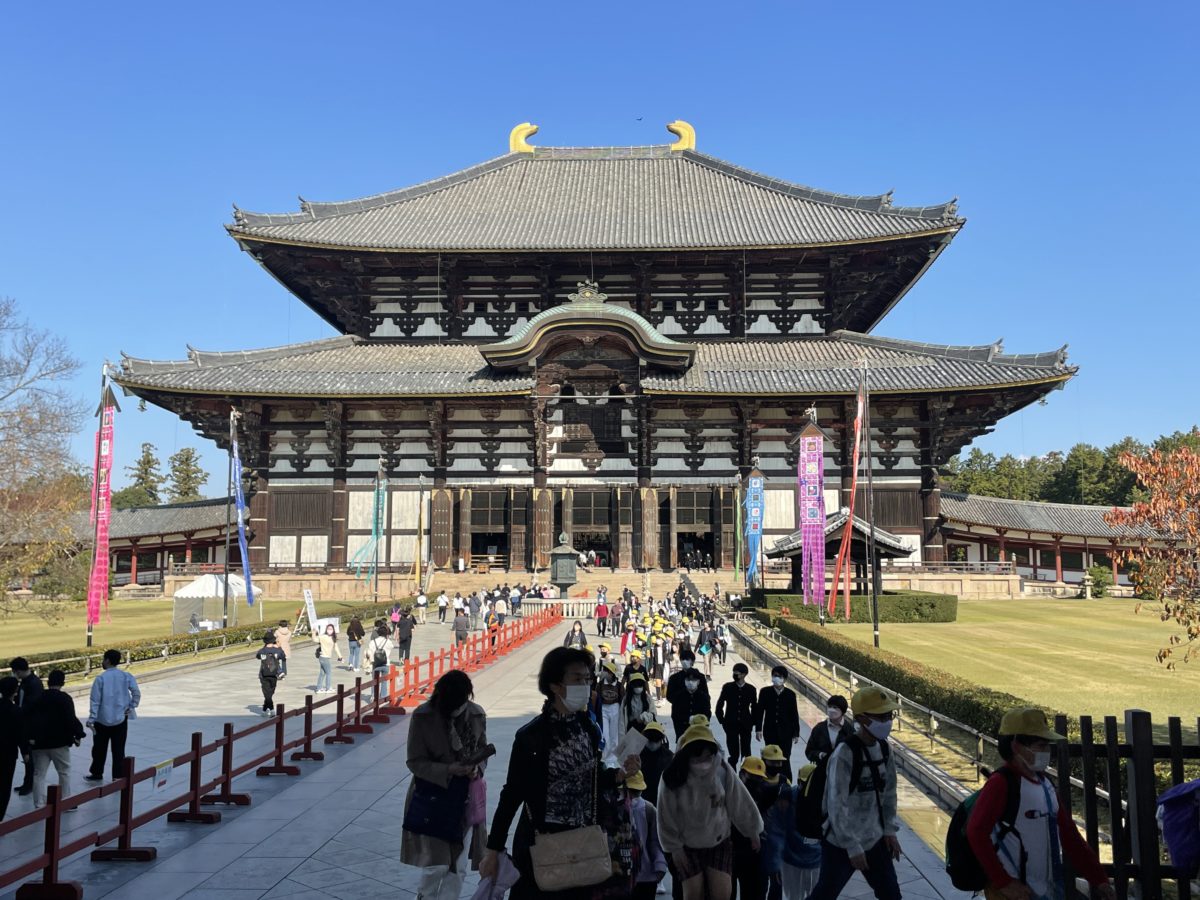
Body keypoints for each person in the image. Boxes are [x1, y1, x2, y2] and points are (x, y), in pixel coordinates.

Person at [480, 646, 640, 900]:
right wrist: (493, 849)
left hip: (584, 844)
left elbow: (591, 778)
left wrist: (618, 776)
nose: (586, 686)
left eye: (588, 679)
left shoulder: (587, 727)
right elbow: (511, 795)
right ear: (555, 686)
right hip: (542, 846)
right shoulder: (531, 737)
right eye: (577, 679)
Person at [966, 708, 1115, 900]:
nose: (1046, 752)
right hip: (1011, 893)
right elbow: (976, 832)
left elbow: (1069, 835)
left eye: (1047, 745)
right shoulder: (1001, 784)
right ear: (1016, 746)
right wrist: (1004, 882)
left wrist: (1098, 879)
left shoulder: (1045, 784)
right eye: (1040, 745)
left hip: (1043, 890)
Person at [806, 687, 901, 900]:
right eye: (881, 717)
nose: (887, 721)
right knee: (824, 894)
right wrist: (852, 846)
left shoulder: (885, 749)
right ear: (862, 719)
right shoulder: (844, 753)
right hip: (841, 842)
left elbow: (889, 793)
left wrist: (889, 830)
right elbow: (836, 804)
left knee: (892, 895)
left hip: (875, 838)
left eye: (889, 716)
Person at [402, 670, 489, 900]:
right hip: (434, 795)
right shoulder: (423, 716)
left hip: (466, 798)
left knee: (458, 866)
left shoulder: (476, 714)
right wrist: (448, 770)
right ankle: (425, 896)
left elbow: (483, 751)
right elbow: (415, 761)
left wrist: (476, 768)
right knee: (436, 863)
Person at [657, 719, 763, 900]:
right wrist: (674, 848)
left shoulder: (722, 771)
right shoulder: (672, 778)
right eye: (698, 757)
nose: (703, 763)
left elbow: (740, 802)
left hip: (719, 841)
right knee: (692, 895)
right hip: (687, 845)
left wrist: (753, 831)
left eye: (708, 757)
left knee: (722, 893)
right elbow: (666, 816)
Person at [27, 670, 85, 807]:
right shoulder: (65, 698)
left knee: (38, 774)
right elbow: (70, 719)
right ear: (63, 683)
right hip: (60, 742)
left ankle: (39, 803)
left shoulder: (39, 698)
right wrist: (78, 734)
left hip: (40, 743)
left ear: (48, 682)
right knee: (64, 772)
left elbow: (29, 718)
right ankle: (65, 802)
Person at [86, 649, 141, 782]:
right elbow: (136, 693)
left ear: (108, 660)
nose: (102, 662)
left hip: (102, 720)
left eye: (104, 659)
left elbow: (95, 700)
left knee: (99, 749)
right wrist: (131, 706)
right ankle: (118, 775)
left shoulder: (100, 679)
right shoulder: (126, 676)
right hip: (121, 718)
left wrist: (91, 718)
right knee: (118, 749)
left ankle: (97, 772)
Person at [626, 770, 669, 899]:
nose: (632, 796)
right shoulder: (616, 809)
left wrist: (660, 865)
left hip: (646, 876)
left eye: (635, 791)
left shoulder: (649, 810)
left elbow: (656, 841)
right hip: (625, 876)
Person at [755, 666, 800, 783]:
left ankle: (787, 783)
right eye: (774, 676)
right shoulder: (765, 692)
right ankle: (768, 780)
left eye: (779, 676)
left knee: (785, 759)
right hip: (770, 731)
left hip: (786, 733)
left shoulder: (790, 695)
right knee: (770, 757)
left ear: (784, 679)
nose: (776, 679)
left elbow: (794, 715)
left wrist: (796, 733)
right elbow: (759, 712)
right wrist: (758, 729)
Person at [9, 658, 43, 796]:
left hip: (31, 725)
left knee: (29, 756)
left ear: (18, 671)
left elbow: (31, 706)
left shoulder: (34, 684)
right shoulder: (25, 682)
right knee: (26, 755)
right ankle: (27, 782)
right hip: (24, 723)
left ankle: (29, 784)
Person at [715, 663, 757, 769]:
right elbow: (720, 704)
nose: (734, 674)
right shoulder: (728, 687)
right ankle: (732, 775)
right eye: (734, 672)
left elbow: (755, 707)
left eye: (737, 673)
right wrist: (722, 720)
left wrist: (753, 722)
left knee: (746, 752)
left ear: (743, 675)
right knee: (733, 754)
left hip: (745, 724)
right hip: (730, 723)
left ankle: (746, 775)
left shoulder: (751, 689)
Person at [666, 651, 711, 740]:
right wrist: (680, 699)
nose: (685, 661)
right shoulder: (674, 678)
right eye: (683, 659)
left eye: (687, 659)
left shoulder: (700, 677)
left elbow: (706, 698)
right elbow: (669, 696)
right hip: (681, 716)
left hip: (698, 718)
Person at [805, 695, 853, 764]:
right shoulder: (819, 728)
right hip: (822, 770)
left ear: (842, 711)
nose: (831, 710)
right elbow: (809, 751)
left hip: (843, 770)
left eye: (835, 707)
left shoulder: (849, 730)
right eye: (830, 707)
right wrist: (820, 755)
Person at [596, 661, 625, 768]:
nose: (603, 673)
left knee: (614, 736)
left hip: (615, 709)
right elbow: (597, 698)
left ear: (611, 673)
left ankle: (612, 759)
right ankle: (604, 757)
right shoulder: (600, 685)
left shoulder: (618, 685)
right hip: (603, 709)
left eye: (606, 671)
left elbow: (623, 699)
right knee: (605, 735)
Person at [639, 721, 673, 807]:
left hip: (662, 798)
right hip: (642, 798)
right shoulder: (637, 754)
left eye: (656, 739)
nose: (652, 743)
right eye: (650, 739)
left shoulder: (669, 756)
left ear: (661, 739)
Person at [0, 677, 20, 820]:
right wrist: (25, 752)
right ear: (15, 691)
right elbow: (20, 733)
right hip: (8, 753)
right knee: (5, 785)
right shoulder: (15, 711)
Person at [255, 632, 286, 715]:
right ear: (273, 640)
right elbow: (283, 657)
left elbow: (257, 656)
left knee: (267, 693)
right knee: (270, 692)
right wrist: (279, 647)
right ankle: (271, 709)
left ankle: (265, 709)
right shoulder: (277, 651)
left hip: (263, 674)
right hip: (274, 673)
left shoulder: (262, 651)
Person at [364, 625, 395, 700]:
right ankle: (383, 697)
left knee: (374, 681)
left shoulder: (372, 642)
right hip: (385, 663)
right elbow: (392, 647)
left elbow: (370, 651)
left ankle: (374, 696)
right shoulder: (388, 642)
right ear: (386, 633)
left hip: (375, 663)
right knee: (384, 681)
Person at [314, 623, 343, 693]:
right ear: (326, 630)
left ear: (333, 630)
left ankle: (319, 688)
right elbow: (315, 639)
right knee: (329, 673)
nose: (330, 630)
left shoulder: (333, 638)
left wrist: (340, 657)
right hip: (324, 657)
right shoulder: (323, 637)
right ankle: (328, 688)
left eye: (331, 629)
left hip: (325, 657)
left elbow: (336, 648)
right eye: (328, 629)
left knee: (322, 673)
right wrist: (313, 633)